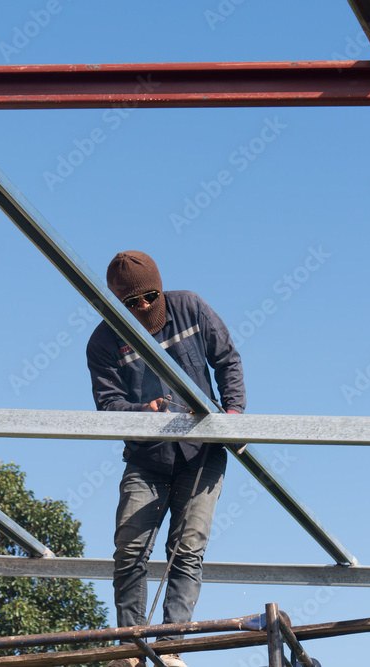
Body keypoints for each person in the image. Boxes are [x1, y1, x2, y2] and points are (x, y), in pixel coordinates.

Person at [86, 251, 246, 667]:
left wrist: (232, 418)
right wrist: (144, 414)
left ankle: (173, 644)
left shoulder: (190, 307)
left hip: (202, 454)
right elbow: (108, 406)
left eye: (148, 297)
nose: (141, 307)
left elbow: (227, 360)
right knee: (130, 547)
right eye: (130, 303)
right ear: (116, 303)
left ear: (160, 288)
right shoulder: (103, 341)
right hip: (146, 459)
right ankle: (129, 647)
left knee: (187, 548)